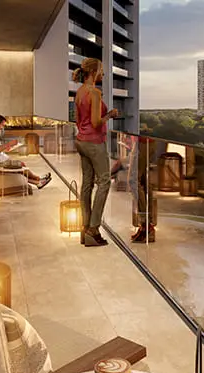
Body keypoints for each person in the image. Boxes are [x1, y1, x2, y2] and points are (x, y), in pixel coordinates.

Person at [73, 58, 120, 247]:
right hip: (94, 143)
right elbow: (96, 122)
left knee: (87, 184)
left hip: (81, 141)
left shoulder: (79, 92)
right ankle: (93, 229)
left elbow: (78, 120)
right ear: (93, 72)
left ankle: (85, 228)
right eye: (101, 70)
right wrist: (110, 115)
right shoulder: (94, 92)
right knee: (104, 181)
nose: (103, 73)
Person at [0, 115, 51, 190]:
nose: (2, 128)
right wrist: (10, 144)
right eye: (2, 125)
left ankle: (38, 182)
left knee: (18, 168)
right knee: (21, 165)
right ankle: (38, 179)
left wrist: (6, 147)